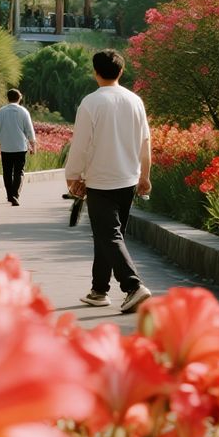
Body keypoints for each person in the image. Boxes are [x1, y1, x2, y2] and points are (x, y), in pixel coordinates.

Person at [64, 49, 152, 313]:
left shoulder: (91, 102)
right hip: (128, 179)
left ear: (95, 72)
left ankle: (133, 286)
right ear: (121, 71)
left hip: (101, 180)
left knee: (108, 234)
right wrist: (145, 175)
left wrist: (72, 175)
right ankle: (99, 290)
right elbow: (145, 140)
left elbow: (80, 144)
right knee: (110, 234)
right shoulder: (135, 100)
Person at [0, 88, 36, 206]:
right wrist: (33, 145)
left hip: (6, 147)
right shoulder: (23, 111)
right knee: (19, 172)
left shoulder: (2, 111)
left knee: (7, 172)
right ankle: (15, 195)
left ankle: (10, 195)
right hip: (20, 147)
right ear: (19, 98)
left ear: (8, 98)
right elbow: (29, 129)